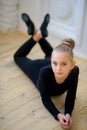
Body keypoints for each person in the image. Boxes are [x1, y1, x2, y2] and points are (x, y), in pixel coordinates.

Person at [14, 13, 79, 129]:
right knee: (18, 57)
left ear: (72, 65)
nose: (58, 68)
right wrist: (58, 115)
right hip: (38, 67)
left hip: (51, 61)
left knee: (51, 55)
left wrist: (68, 114)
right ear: (52, 62)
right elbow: (45, 98)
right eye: (55, 63)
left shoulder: (74, 71)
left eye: (64, 64)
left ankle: (37, 31)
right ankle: (36, 36)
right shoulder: (44, 72)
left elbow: (71, 96)